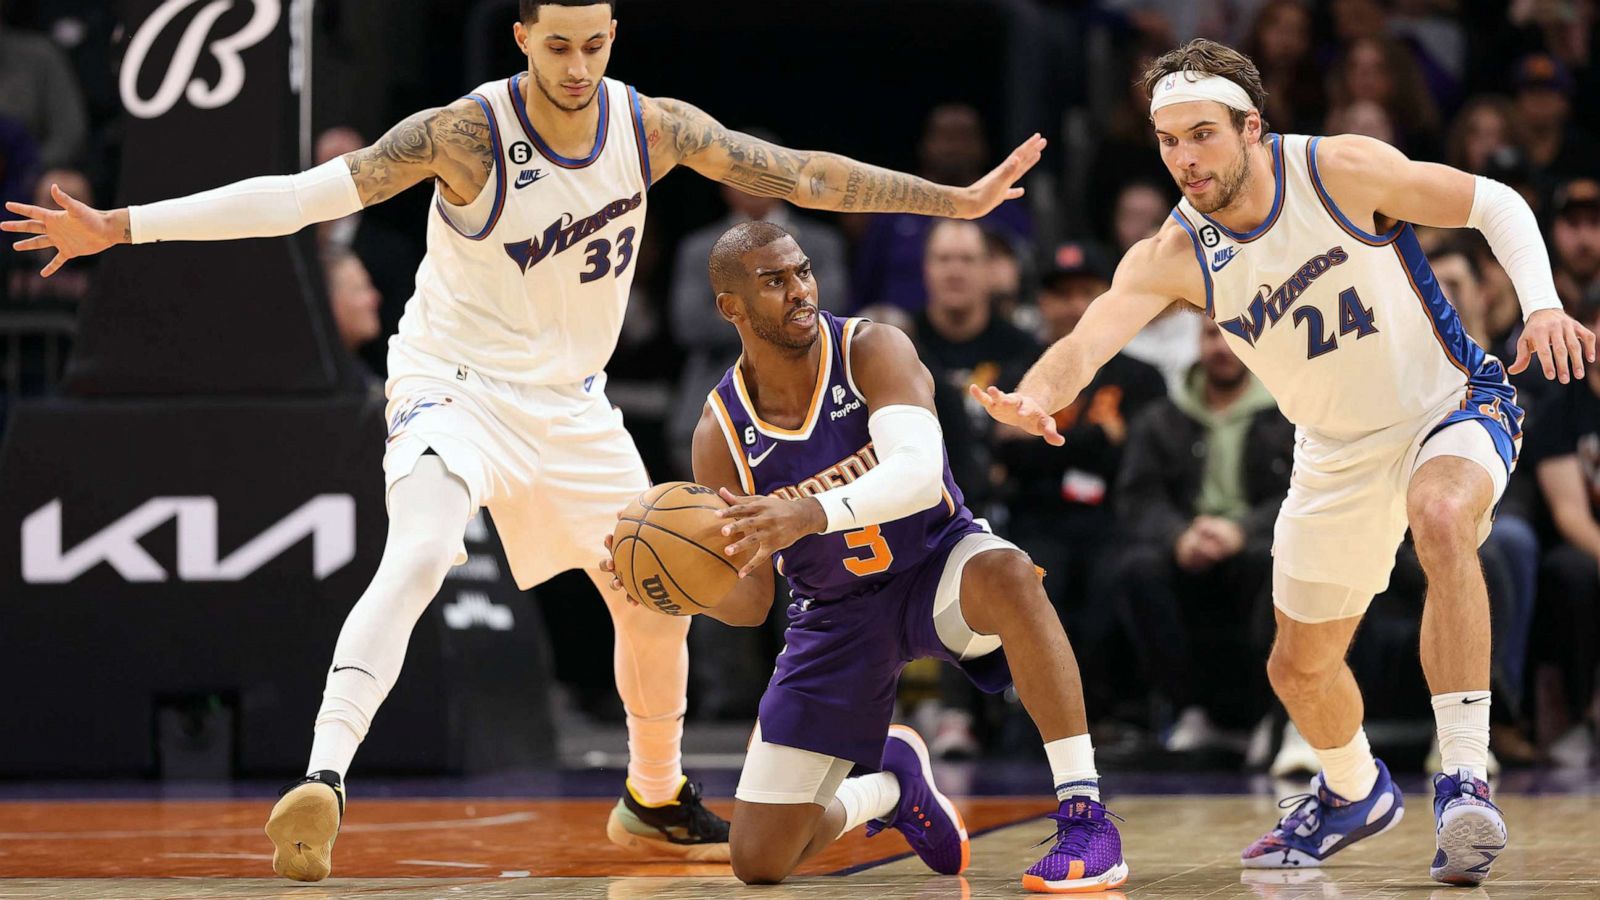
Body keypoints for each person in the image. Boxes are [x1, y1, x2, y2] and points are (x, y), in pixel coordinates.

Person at [2, 0, 1045, 882]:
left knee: (656, 598)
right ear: (520, 39)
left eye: (595, 44)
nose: (580, 67)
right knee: (416, 553)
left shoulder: (652, 126)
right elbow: (298, 200)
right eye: (558, 46)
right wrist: (124, 224)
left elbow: (801, 172)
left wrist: (945, 197)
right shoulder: (462, 133)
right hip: (452, 388)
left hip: (573, 405)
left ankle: (653, 793)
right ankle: (322, 779)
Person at [973, 39, 1593, 886]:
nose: (1185, 159)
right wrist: (1037, 396)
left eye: (1203, 135)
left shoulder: (1337, 170)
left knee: (1441, 516)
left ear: (1251, 127)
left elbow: (1498, 204)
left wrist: (1544, 306)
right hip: (1333, 451)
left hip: (1448, 405)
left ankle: (1463, 780)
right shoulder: (1176, 251)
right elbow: (1087, 338)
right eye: (1169, 141)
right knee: (1297, 669)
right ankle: (1352, 791)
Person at [606, 220, 1125, 892]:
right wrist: (677, 585)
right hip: (833, 612)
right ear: (730, 307)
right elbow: (752, 599)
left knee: (1010, 572)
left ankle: (1085, 813)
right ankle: (890, 789)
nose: (799, 290)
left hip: (933, 566)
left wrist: (807, 512)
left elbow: (915, 472)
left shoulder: (870, 348)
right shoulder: (721, 429)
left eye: (802, 272)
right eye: (774, 281)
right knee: (758, 860)